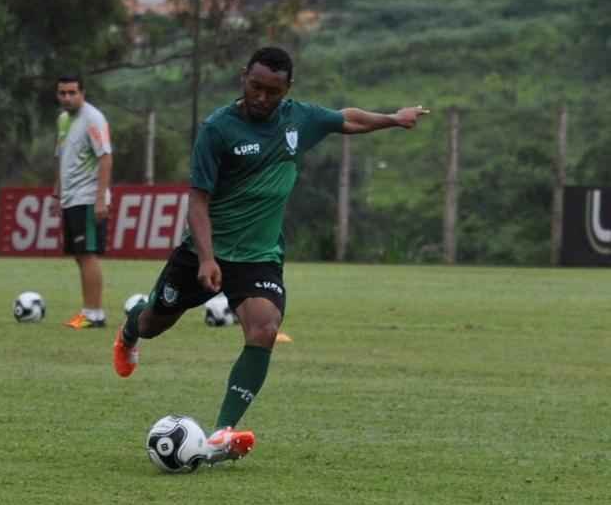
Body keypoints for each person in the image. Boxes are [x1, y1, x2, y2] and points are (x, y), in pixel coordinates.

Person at [112, 46, 429, 462]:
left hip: (258, 256)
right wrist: (207, 258)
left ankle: (221, 432)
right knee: (154, 322)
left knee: (263, 328)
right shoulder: (218, 129)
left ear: (287, 89)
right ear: (244, 77)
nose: (262, 97)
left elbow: (345, 118)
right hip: (204, 252)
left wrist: (392, 119)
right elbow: (198, 201)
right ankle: (129, 333)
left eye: (272, 91)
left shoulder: (298, 119)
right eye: (255, 86)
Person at [53, 74, 113, 329]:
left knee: (88, 254)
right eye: (62, 93)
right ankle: (88, 310)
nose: (67, 97)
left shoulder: (93, 119)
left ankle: (94, 313)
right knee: (79, 254)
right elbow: (62, 157)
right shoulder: (64, 120)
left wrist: (100, 199)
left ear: (82, 93)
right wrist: (58, 192)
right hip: (70, 198)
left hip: (88, 197)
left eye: (72, 92)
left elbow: (105, 157)